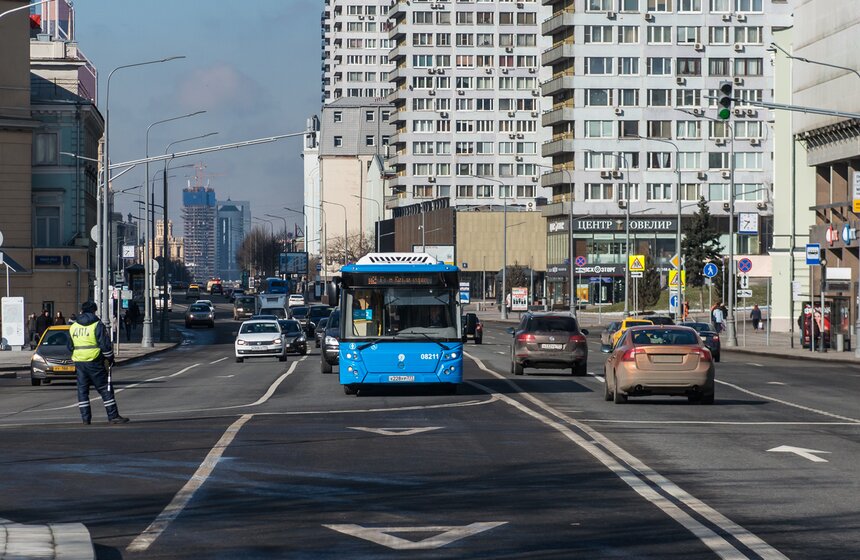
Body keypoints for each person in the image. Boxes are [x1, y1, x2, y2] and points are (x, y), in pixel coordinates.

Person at [67, 301, 129, 425]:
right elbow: (104, 345)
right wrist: (110, 358)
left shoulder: (74, 326)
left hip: (79, 362)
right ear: (93, 311)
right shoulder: (97, 324)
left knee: (82, 391)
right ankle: (113, 416)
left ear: (82, 311)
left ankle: (86, 419)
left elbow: (70, 346)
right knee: (105, 389)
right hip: (94, 361)